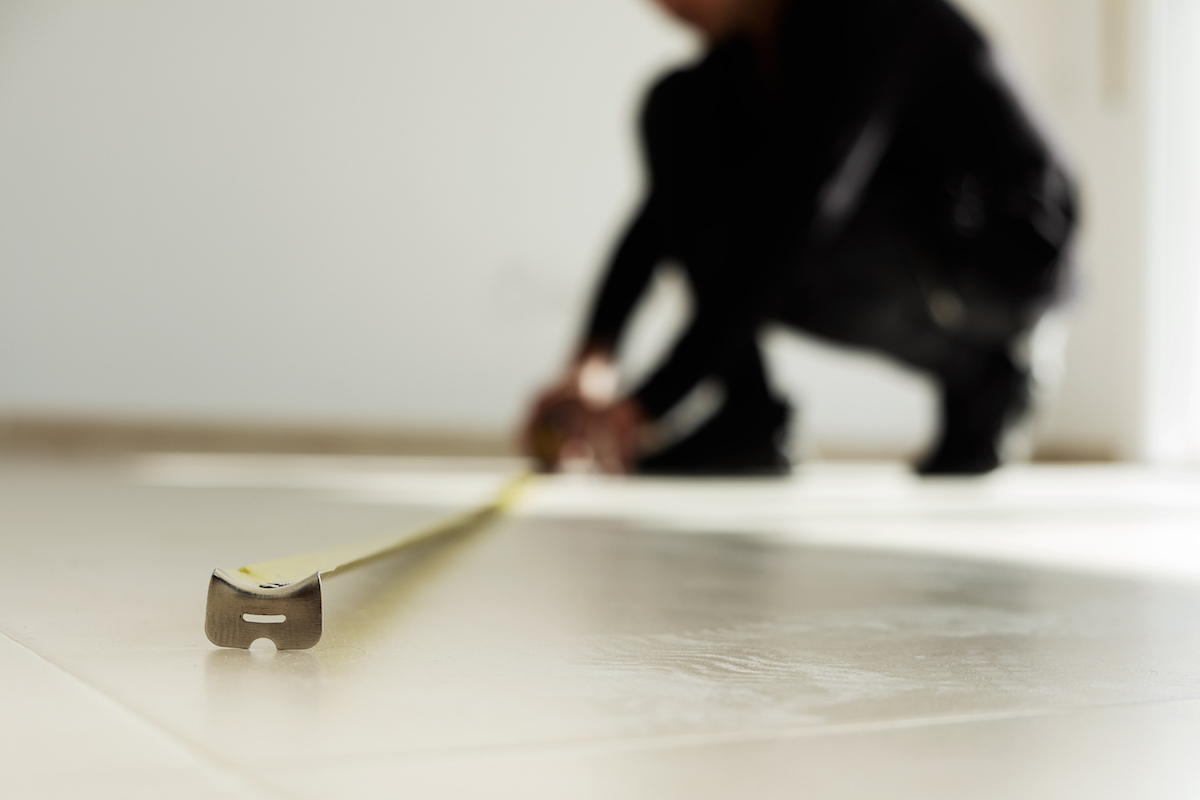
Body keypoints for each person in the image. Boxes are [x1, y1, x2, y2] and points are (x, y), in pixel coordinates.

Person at [523, 0, 1076, 476]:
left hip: (1007, 259)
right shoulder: (744, 63)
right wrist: (593, 361)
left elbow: (802, 212)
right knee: (679, 107)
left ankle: (988, 370)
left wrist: (646, 404)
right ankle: (749, 417)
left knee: (758, 216)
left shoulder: (864, 14)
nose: (665, 8)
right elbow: (665, 213)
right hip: (906, 250)